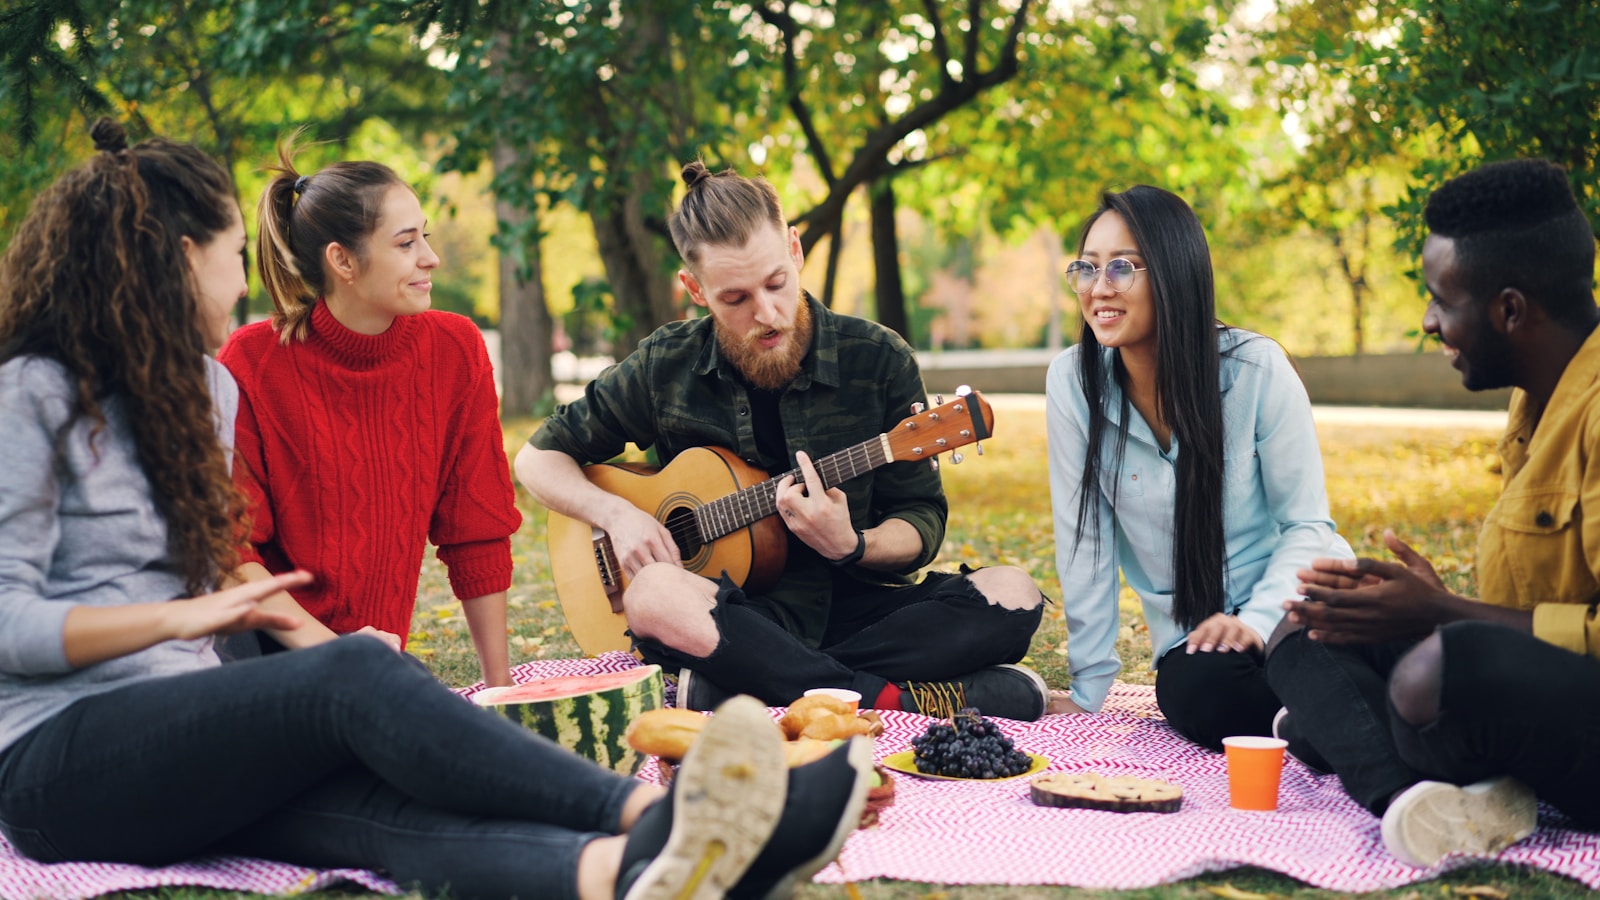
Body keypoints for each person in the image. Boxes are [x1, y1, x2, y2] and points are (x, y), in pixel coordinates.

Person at [0, 118, 873, 900]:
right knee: (355, 675)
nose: (243, 282)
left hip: (189, 740)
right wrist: (186, 616)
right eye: (232, 257)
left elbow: (466, 527)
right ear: (178, 258)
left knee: (378, 816)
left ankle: (627, 873)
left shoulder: (201, 391)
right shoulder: (32, 395)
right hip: (55, 762)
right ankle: (657, 817)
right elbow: (8, 623)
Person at [515, 162, 1051, 720]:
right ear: (694, 289)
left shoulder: (879, 359)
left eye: (775, 283)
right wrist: (617, 515)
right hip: (731, 612)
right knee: (651, 595)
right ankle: (889, 697)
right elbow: (537, 459)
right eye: (735, 298)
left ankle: (752, 683)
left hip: (860, 612)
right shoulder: (665, 364)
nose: (766, 314)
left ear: (795, 251)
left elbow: (920, 520)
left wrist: (853, 544)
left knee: (1013, 595)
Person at [1268, 158, 1600, 867]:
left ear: (1509, 310)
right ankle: (1412, 801)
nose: (1427, 321)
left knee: (1434, 673)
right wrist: (1437, 604)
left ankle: (1358, 738)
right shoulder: (1535, 403)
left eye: (1440, 301)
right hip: (1538, 682)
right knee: (1308, 622)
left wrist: (1444, 616)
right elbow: (1545, 613)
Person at [1044, 185, 1354, 750]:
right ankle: (1316, 727)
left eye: (1121, 267)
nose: (1099, 289)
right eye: (1086, 268)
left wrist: (1255, 624)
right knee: (1194, 692)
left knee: (1331, 658)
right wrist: (1087, 692)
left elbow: (1307, 527)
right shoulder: (1072, 382)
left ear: (1172, 271)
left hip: (1292, 608)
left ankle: (1331, 721)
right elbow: (1085, 541)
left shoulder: (1256, 369)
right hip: (1201, 647)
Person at [216, 140, 522, 685]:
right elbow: (232, 550)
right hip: (261, 652)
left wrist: (500, 690)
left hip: (374, 662)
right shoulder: (252, 361)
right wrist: (335, 653)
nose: (430, 256)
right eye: (406, 243)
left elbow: (476, 531)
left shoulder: (455, 349)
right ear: (342, 261)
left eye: (424, 236)